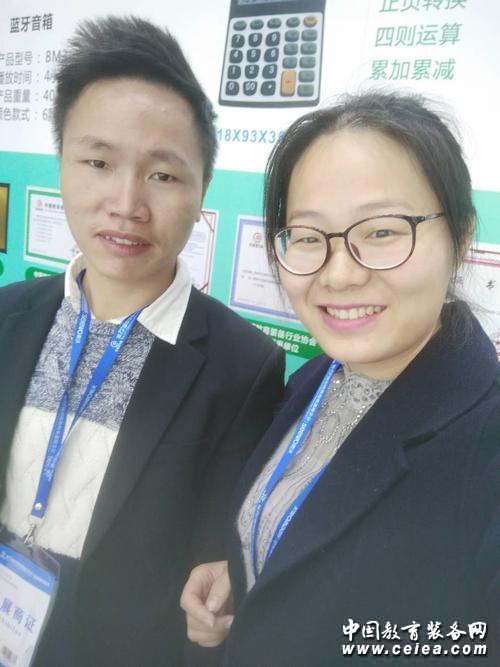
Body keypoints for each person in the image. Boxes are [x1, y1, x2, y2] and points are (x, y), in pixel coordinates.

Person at [0, 15, 284, 667]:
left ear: (203, 188)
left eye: (163, 175)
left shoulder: (243, 367)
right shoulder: (8, 314)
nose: (126, 203)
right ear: (62, 164)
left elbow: (210, 576)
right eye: (98, 162)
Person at [181, 91, 500, 666]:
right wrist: (249, 566)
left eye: (381, 232)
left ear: (460, 237)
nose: (340, 274)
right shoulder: (315, 379)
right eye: (308, 237)